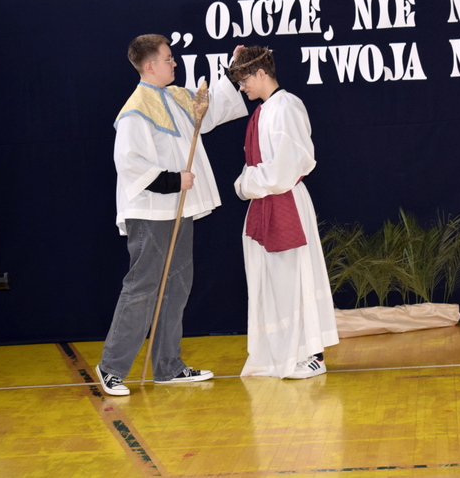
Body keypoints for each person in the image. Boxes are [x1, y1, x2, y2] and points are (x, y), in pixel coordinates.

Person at [96, 34, 248, 395]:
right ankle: (111, 367)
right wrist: (172, 180)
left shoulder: (178, 97)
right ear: (150, 66)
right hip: (151, 210)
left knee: (177, 285)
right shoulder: (135, 109)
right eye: (168, 58)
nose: (174, 63)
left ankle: (168, 366)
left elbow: (210, 112)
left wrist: (232, 72)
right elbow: (128, 162)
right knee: (144, 286)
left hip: (178, 209)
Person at [229, 45, 339, 379]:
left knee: (295, 278)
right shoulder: (265, 110)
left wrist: (244, 183)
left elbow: (284, 169)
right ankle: (279, 354)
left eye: (244, 79)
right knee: (273, 282)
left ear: (262, 73)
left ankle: (312, 355)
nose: (242, 87)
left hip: (284, 200)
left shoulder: (286, 106)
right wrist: (250, 183)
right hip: (267, 202)